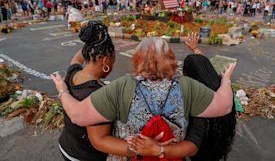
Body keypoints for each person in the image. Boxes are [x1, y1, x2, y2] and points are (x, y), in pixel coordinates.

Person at [52, 37, 236, 159]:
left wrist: (63, 91)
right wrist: (226, 80)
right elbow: (226, 105)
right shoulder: (189, 87)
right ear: (171, 59)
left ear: (137, 60)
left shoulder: (121, 87)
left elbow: (77, 115)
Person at [59, 21, 116, 161]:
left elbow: (76, 59)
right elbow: (100, 141)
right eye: (113, 59)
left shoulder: (73, 73)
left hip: (66, 145)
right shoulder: (97, 95)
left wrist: (93, 40)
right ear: (105, 60)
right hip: (83, 156)